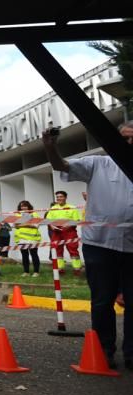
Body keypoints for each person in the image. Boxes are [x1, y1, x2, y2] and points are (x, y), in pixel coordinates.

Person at [43, 123, 133, 370]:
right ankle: (103, 349)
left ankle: (131, 354)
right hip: (99, 244)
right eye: (124, 138)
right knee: (103, 300)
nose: (129, 143)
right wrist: (50, 147)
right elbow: (62, 166)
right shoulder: (99, 164)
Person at [47, 190, 84, 276]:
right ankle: (60, 270)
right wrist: (52, 226)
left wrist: (69, 225)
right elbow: (48, 220)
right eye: (57, 197)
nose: (59, 198)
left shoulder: (72, 207)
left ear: (65, 197)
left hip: (69, 231)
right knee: (56, 250)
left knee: (73, 249)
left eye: (61, 197)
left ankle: (77, 269)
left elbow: (76, 220)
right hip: (56, 231)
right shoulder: (53, 208)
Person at [13, 200, 42, 276]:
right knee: (24, 255)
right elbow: (15, 226)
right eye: (22, 206)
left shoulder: (34, 213)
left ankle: (36, 272)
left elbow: (36, 225)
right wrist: (29, 224)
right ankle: (26, 272)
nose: (23, 207)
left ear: (29, 206)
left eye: (25, 206)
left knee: (34, 254)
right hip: (21, 238)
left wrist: (22, 224)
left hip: (33, 238)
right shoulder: (17, 214)